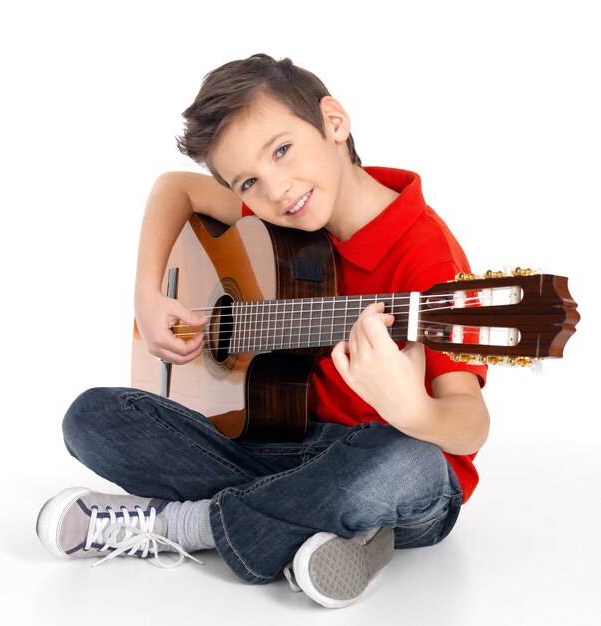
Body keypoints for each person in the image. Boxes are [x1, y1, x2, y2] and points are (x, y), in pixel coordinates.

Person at [36, 53, 489, 609]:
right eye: (248, 181)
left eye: (282, 149)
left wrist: (411, 410)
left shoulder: (428, 260)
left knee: (409, 459)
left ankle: (187, 527)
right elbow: (173, 188)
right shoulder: (280, 225)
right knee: (92, 418)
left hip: (384, 467)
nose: (275, 189)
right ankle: (333, 533)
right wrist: (148, 295)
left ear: (334, 122)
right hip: (279, 446)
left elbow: (469, 427)